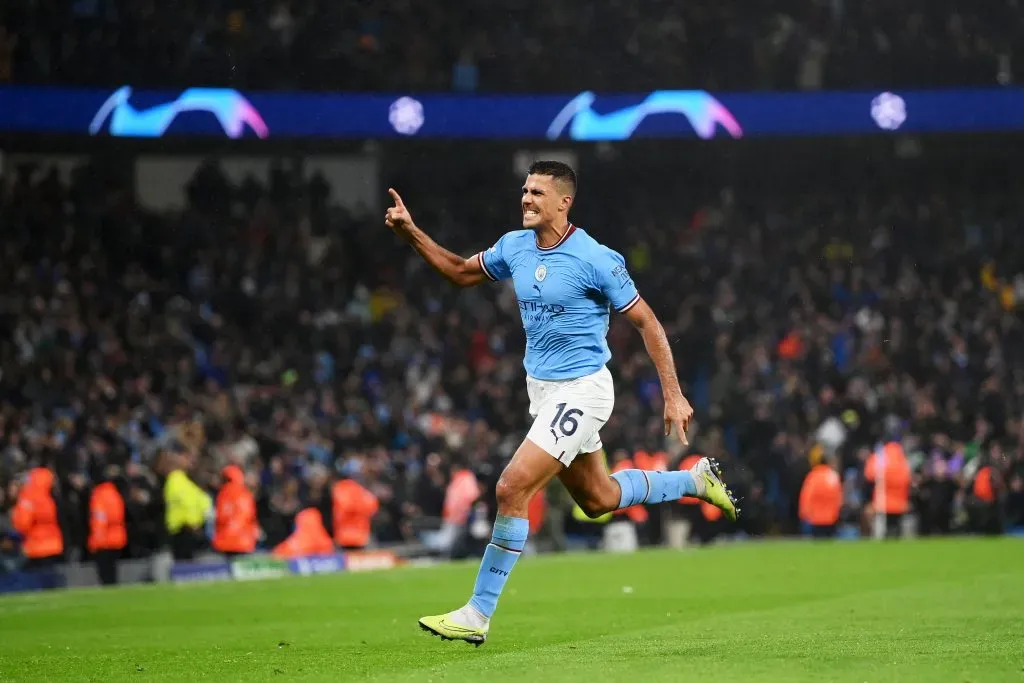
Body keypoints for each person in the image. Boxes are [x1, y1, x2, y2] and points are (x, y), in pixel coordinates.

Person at [384, 160, 738, 645]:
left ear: (563, 202)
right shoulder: (515, 246)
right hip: (543, 392)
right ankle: (693, 479)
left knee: (511, 488)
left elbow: (648, 323)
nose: (526, 199)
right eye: (524, 191)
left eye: (537, 193)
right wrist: (411, 233)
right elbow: (461, 272)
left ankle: (477, 613)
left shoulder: (596, 258)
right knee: (598, 500)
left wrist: (673, 394)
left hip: (584, 391)